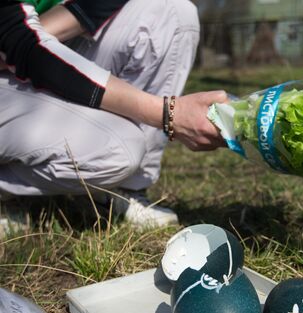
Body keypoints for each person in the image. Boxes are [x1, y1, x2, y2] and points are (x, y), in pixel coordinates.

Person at [0, 0, 228, 234]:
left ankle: (117, 192)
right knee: (117, 150)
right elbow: (22, 42)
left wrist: (31, 35)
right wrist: (167, 113)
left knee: (174, 12)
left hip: (30, 42)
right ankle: (9, 197)